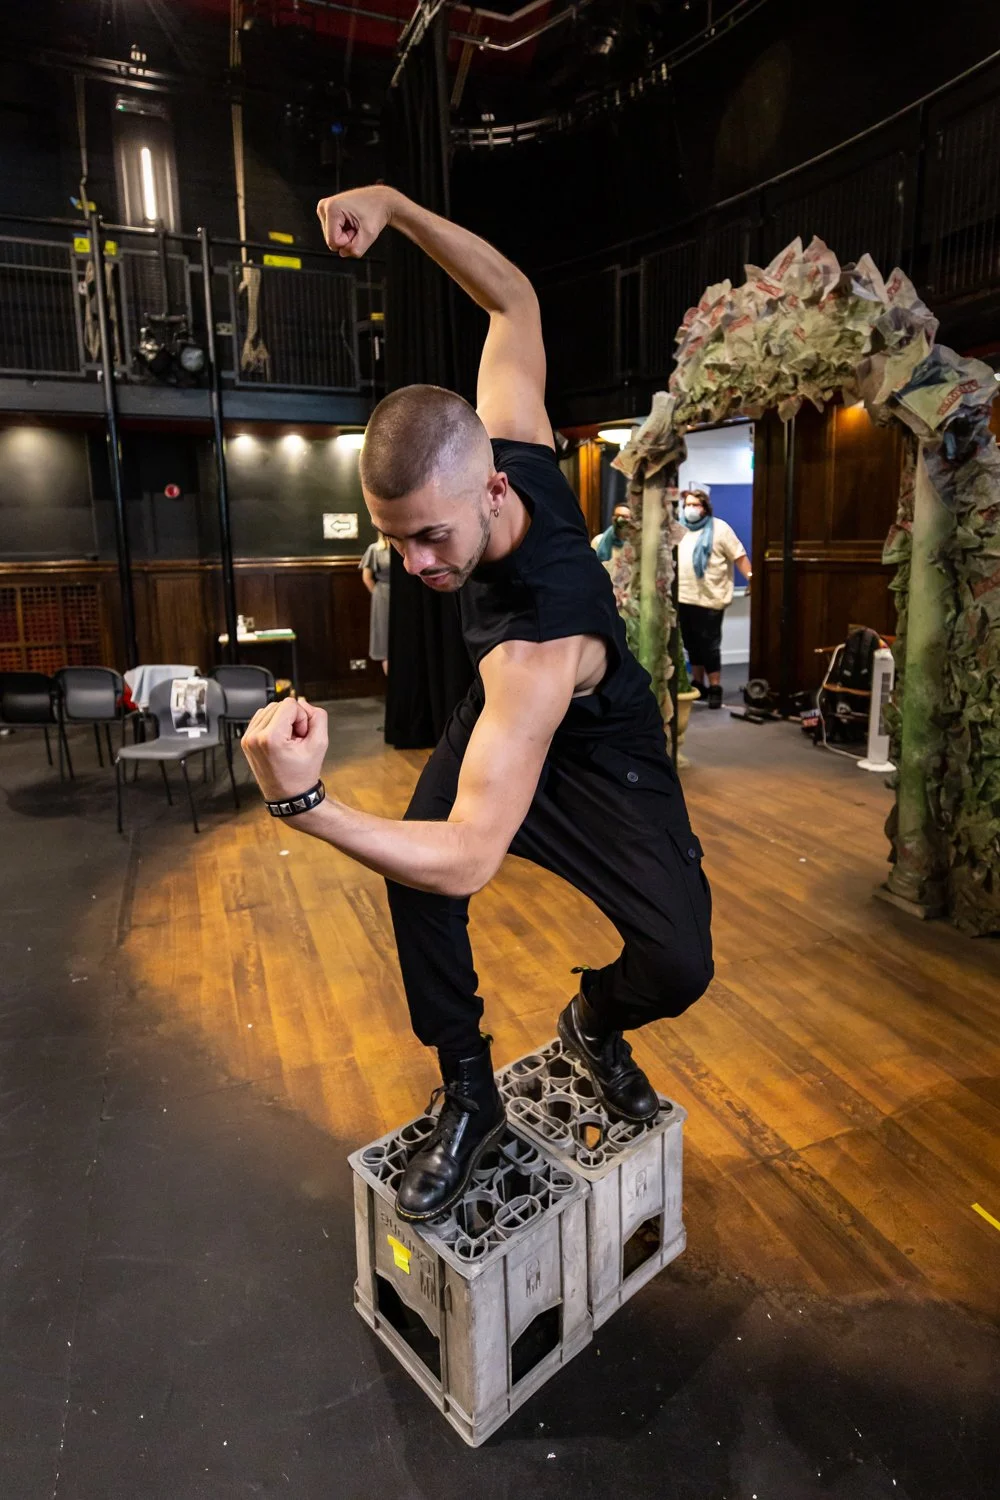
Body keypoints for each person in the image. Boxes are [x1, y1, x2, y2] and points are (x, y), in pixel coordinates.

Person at [241, 185, 713, 1224]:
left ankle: (596, 1021)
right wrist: (398, 209)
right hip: (504, 728)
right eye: (392, 537)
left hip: (602, 758)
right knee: (413, 872)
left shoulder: (543, 643)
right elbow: (511, 301)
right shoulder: (509, 438)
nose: (412, 565)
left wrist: (302, 806)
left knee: (679, 962)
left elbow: (473, 857)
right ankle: (469, 1091)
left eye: (430, 540)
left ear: (493, 492)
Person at [677, 486, 751, 710]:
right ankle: (699, 683)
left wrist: (750, 578)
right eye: (687, 504)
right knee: (691, 644)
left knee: (709, 645)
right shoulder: (679, 529)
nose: (690, 508)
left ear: (705, 507)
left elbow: (739, 556)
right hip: (683, 596)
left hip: (710, 598)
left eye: (695, 504)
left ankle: (715, 686)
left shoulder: (720, 528)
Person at [360, 532, 391, 675]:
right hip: (382, 595)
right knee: (384, 638)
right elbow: (367, 578)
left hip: (405, 596)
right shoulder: (374, 549)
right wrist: (378, 595)